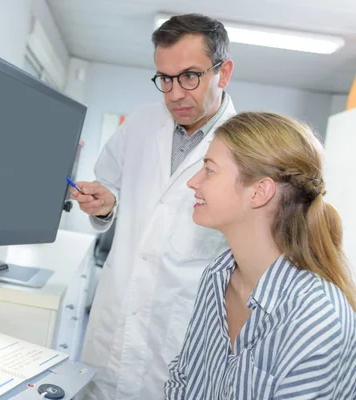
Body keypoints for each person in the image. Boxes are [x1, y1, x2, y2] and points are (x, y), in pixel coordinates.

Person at [70, 13, 236, 400]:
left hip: (180, 339)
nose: (175, 93)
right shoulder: (141, 125)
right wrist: (105, 205)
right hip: (114, 324)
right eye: (165, 78)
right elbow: (110, 190)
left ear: (223, 73)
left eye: (190, 76)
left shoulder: (248, 146)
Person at [164, 112, 356, 399]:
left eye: (209, 169)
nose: (192, 182)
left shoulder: (317, 321)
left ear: (259, 192)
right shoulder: (218, 275)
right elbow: (184, 379)